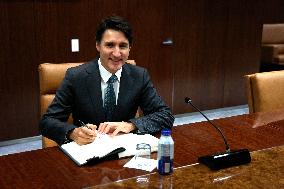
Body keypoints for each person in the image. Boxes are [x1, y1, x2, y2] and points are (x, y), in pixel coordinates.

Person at [39, 16, 174, 146]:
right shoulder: (76, 76)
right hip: (87, 151)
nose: (116, 53)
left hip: (124, 150)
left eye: (123, 46)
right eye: (110, 45)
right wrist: (73, 133)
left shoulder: (139, 76)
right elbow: (47, 122)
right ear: (98, 46)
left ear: (129, 48)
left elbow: (165, 116)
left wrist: (131, 125)